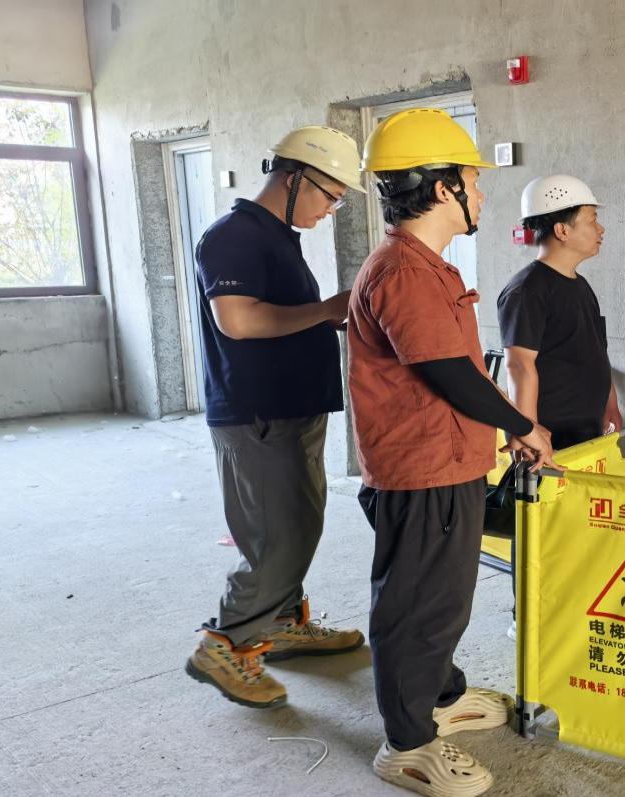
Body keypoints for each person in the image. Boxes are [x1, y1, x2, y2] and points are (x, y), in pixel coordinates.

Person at [349, 108, 556, 796]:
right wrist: (522, 424)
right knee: (417, 608)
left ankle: (439, 696)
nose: (482, 192)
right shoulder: (404, 271)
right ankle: (408, 744)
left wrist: (504, 429)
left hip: (447, 461)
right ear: (443, 189)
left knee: (442, 600)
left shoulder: (424, 266)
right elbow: (448, 372)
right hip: (421, 471)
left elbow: (455, 369)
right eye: (473, 179)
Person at [185, 126, 368, 709]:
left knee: (299, 525)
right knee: (277, 538)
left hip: (291, 409)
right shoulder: (233, 236)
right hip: (257, 413)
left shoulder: (276, 236)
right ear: (294, 178)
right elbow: (237, 321)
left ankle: (282, 623)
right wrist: (325, 309)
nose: (331, 209)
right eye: (330, 195)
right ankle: (226, 644)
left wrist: (324, 316)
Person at [497, 174, 620, 640]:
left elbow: (596, 352)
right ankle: (527, 617)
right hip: (549, 434)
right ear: (562, 229)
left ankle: (568, 607)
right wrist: (527, 430)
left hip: (585, 431)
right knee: (538, 526)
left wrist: (610, 403)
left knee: (573, 527)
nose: (600, 229)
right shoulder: (528, 289)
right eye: (591, 220)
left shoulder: (579, 286)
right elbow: (520, 365)